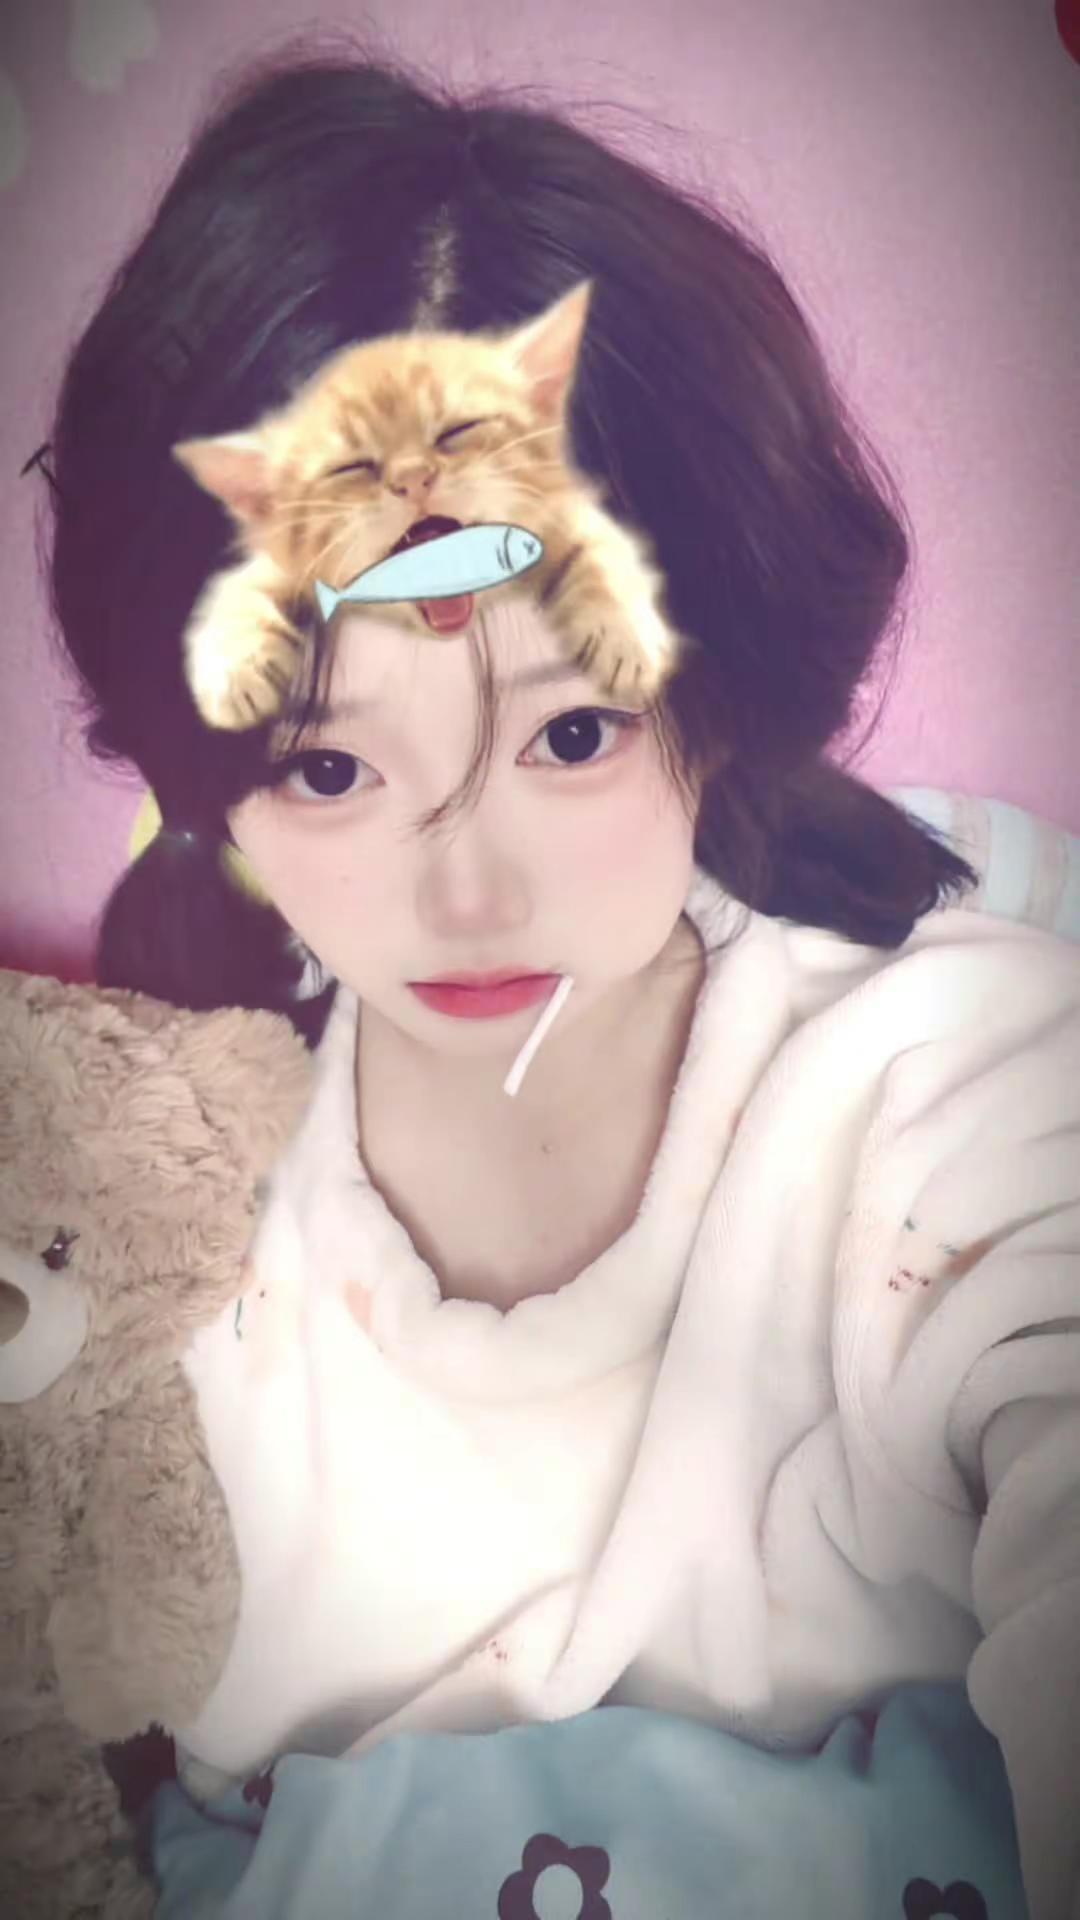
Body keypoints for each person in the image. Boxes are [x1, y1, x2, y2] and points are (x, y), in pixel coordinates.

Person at [38, 40, 1079, 1920]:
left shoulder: (952, 1106)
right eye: (330, 767)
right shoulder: (134, 1212)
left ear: (726, 688)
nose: (470, 889)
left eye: (574, 732)